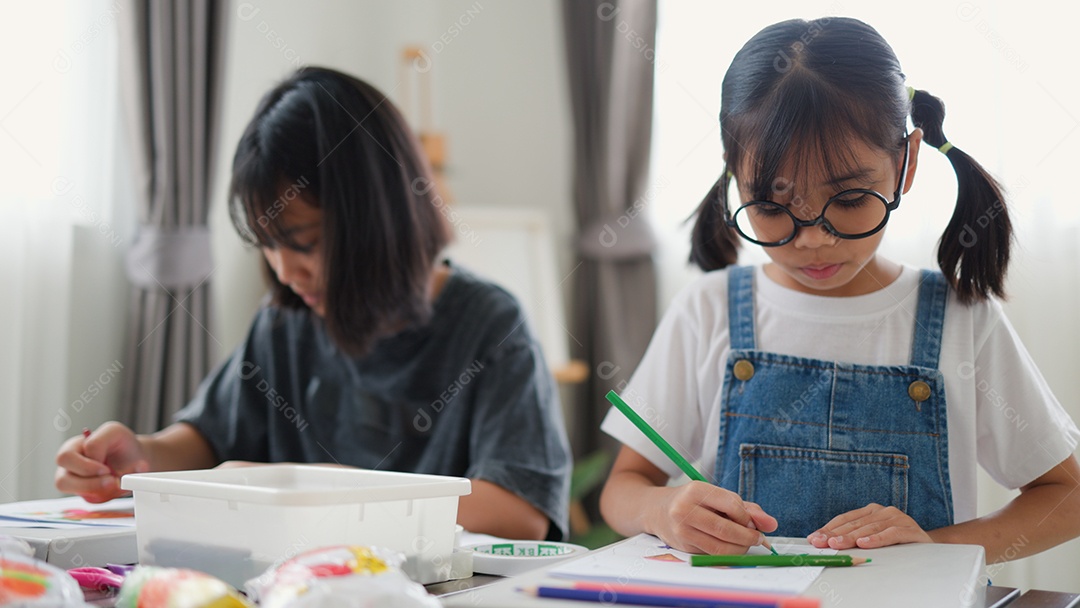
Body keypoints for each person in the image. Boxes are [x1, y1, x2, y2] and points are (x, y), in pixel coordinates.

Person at [599, 17, 1080, 562]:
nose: (812, 240)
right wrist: (661, 510)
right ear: (733, 172)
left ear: (906, 162)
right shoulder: (706, 311)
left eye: (849, 200)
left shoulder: (962, 318)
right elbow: (624, 487)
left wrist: (934, 547)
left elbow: (1067, 496)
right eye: (772, 207)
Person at [55, 66, 571, 542]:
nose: (285, 270)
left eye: (304, 242)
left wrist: (307, 485)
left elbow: (520, 512)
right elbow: (209, 436)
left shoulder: (488, 325)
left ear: (377, 222)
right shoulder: (287, 319)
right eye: (269, 244)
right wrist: (142, 456)